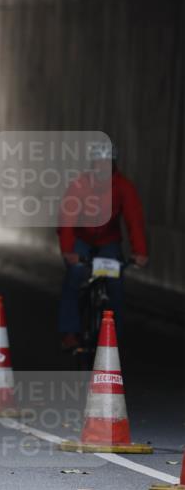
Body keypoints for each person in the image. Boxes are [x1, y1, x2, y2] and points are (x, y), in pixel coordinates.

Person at [57, 142, 148, 348]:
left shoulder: (124, 187)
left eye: (106, 163)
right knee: (75, 274)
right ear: (93, 164)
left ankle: (112, 336)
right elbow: (67, 219)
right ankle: (70, 332)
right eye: (98, 163)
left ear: (113, 164)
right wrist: (68, 251)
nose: (102, 168)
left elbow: (134, 219)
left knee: (115, 283)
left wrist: (140, 252)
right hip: (81, 238)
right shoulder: (79, 185)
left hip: (109, 241)